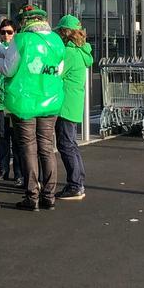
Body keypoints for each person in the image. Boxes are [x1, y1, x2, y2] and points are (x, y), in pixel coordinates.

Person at [0, 5, 65, 211]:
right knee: (46, 147)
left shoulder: (22, 40)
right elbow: (58, 71)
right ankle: (49, 195)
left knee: (28, 148)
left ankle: (32, 196)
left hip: (24, 102)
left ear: (25, 22)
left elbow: (8, 70)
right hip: (51, 101)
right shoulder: (56, 40)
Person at [55, 14, 93, 201]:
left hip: (65, 104)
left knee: (66, 145)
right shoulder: (82, 51)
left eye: (60, 31)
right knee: (72, 144)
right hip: (75, 103)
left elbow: (56, 75)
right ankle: (78, 182)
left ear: (65, 32)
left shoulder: (69, 53)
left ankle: (75, 184)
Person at [0, 19, 22, 185]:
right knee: (2, 136)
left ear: (15, 33)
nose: (6, 35)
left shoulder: (17, 49)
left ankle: (19, 173)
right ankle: (3, 170)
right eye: (3, 32)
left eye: (9, 32)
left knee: (17, 138)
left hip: (14, 101)